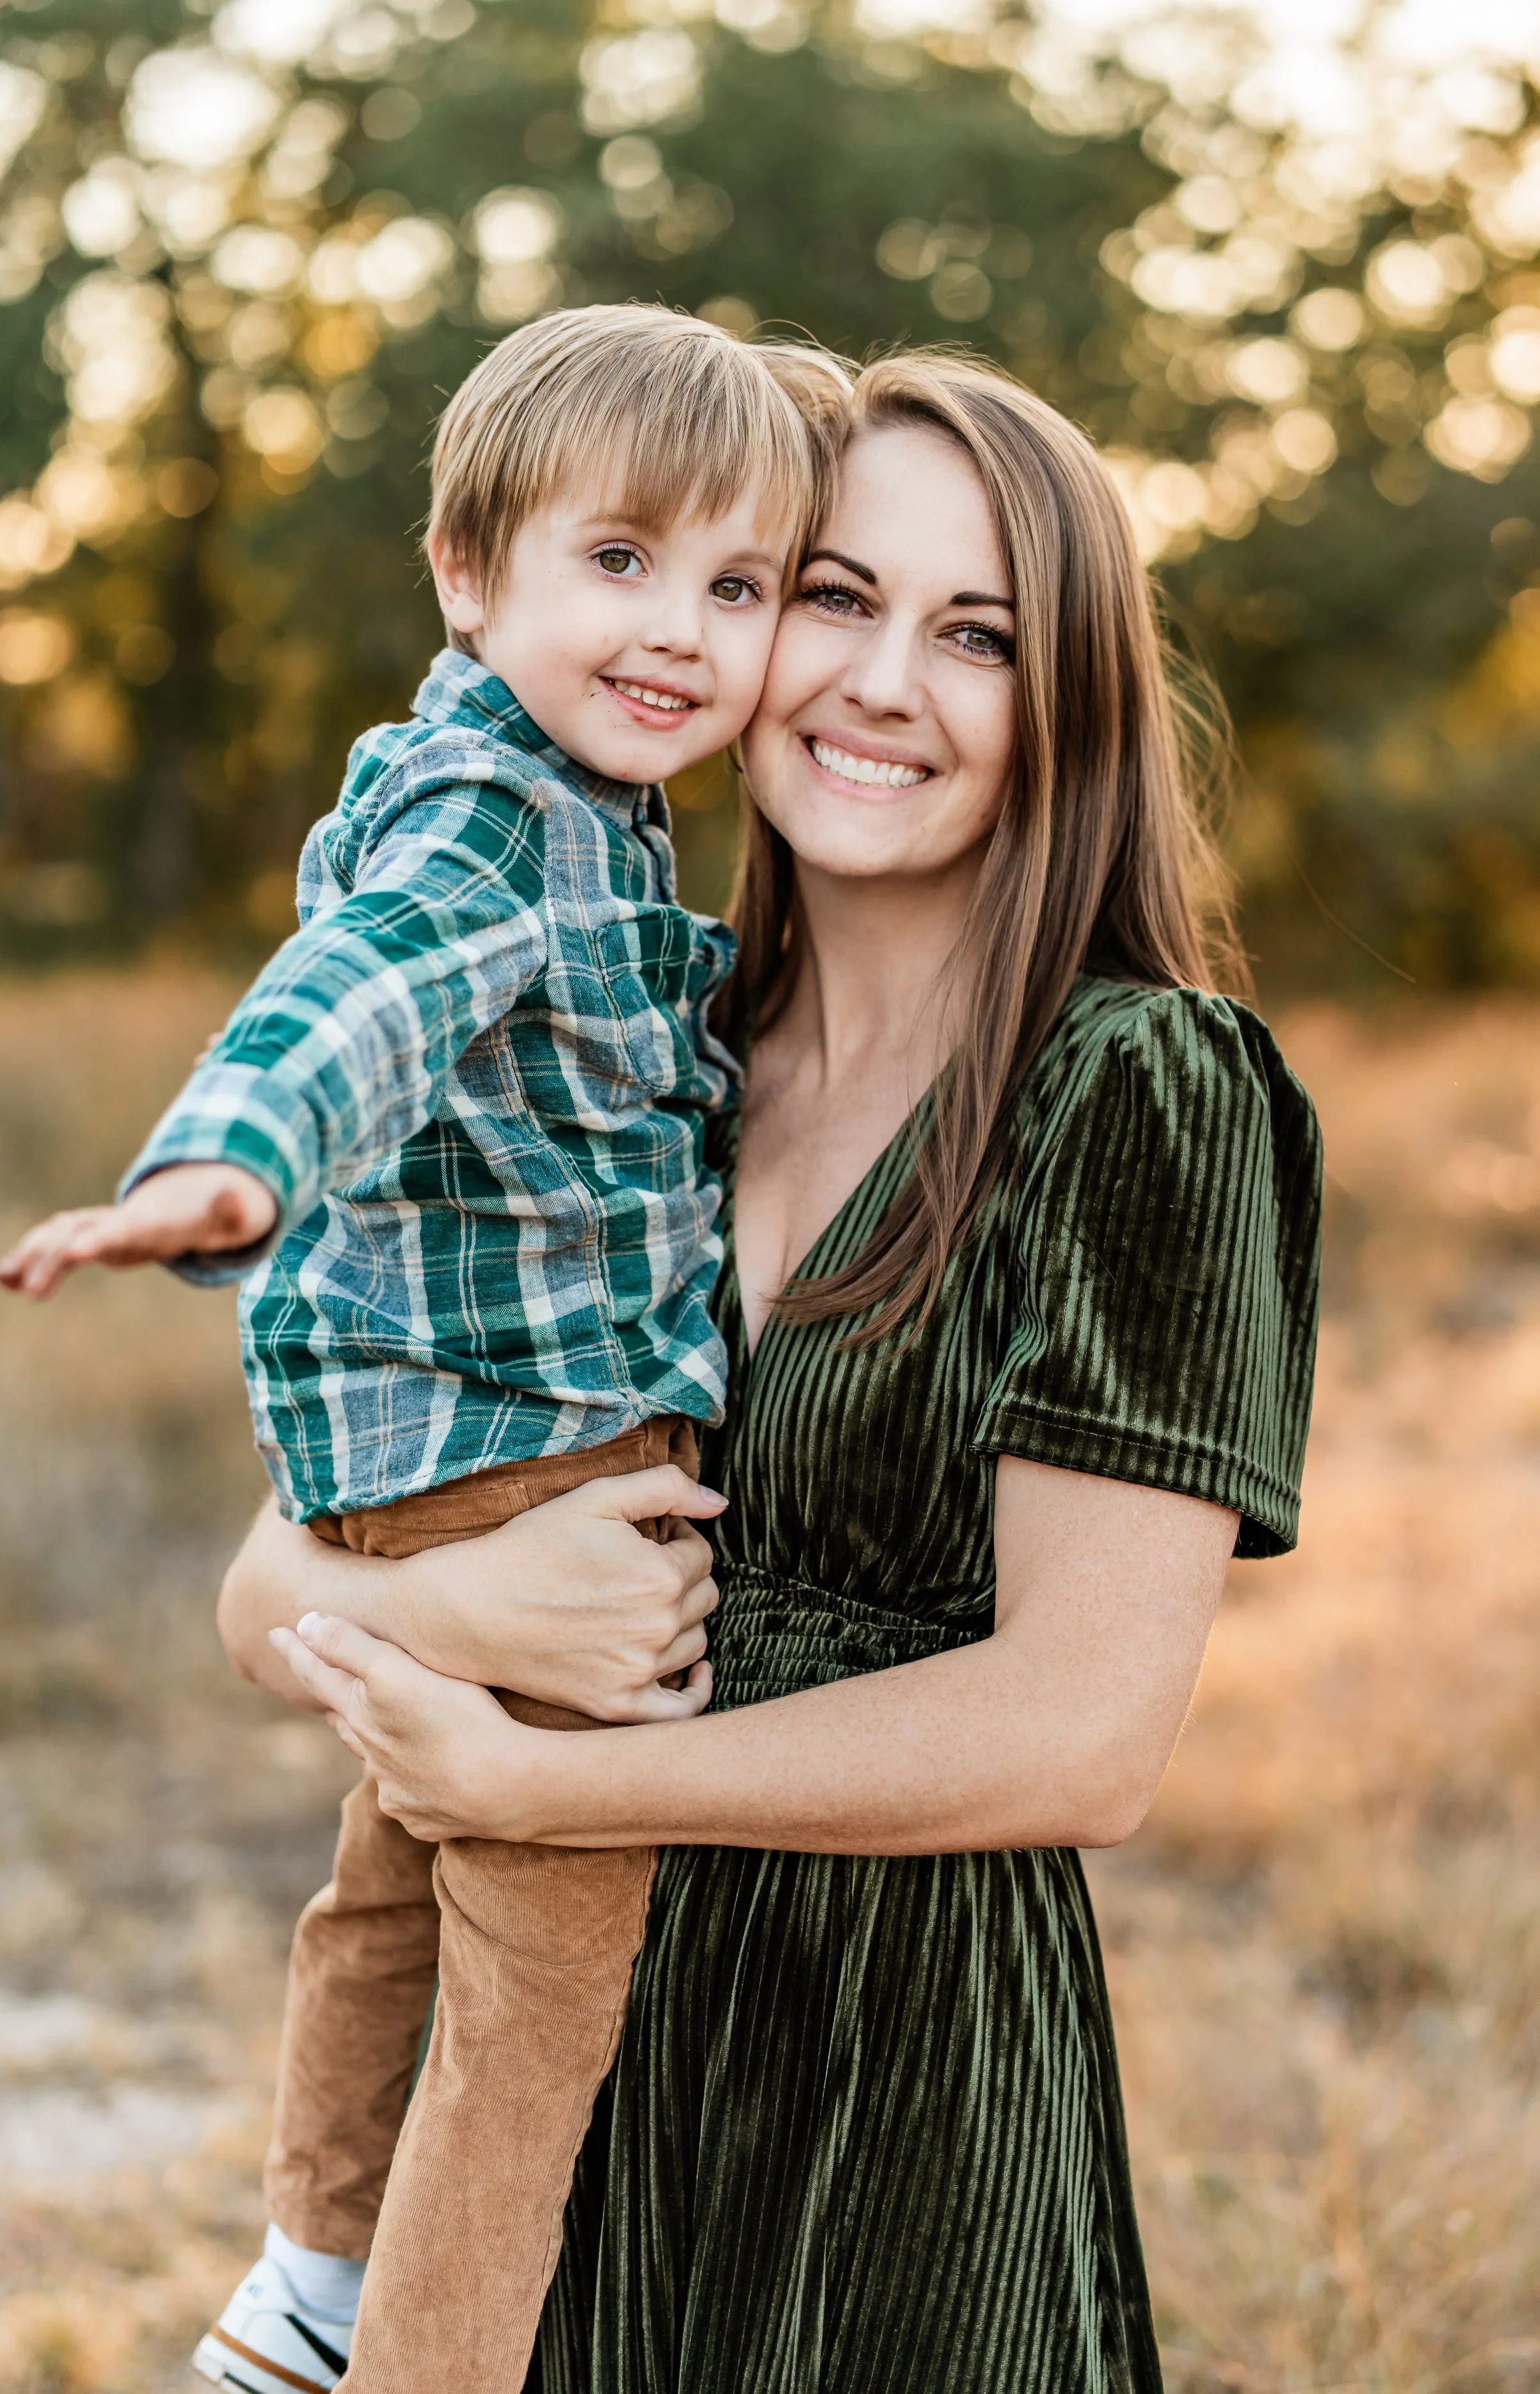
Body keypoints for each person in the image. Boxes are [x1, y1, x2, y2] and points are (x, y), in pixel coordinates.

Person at [224, 349, 1324, 2393]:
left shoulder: (1140, 1088)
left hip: (889, 2119)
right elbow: (264, 1583)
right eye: (831, 593)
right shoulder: (634, 1046)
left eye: (975, 633)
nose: (880, 680)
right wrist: (439, 1609)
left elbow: (1083, 1733)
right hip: (553, 2127)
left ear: (1062, 700)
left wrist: (553, 1780)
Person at [0, 306, 849, 2394]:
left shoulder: (561, 793)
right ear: (470, 577)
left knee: (392, 1882)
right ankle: (421, 2359)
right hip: (524, 1467)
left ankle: (299, 2277)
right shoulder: (508, 826)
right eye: (621, 560)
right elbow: (355, 996)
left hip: (416, 1464)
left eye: (736, 586)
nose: (680, 631)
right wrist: (229, 1166)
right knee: (542, 2002)